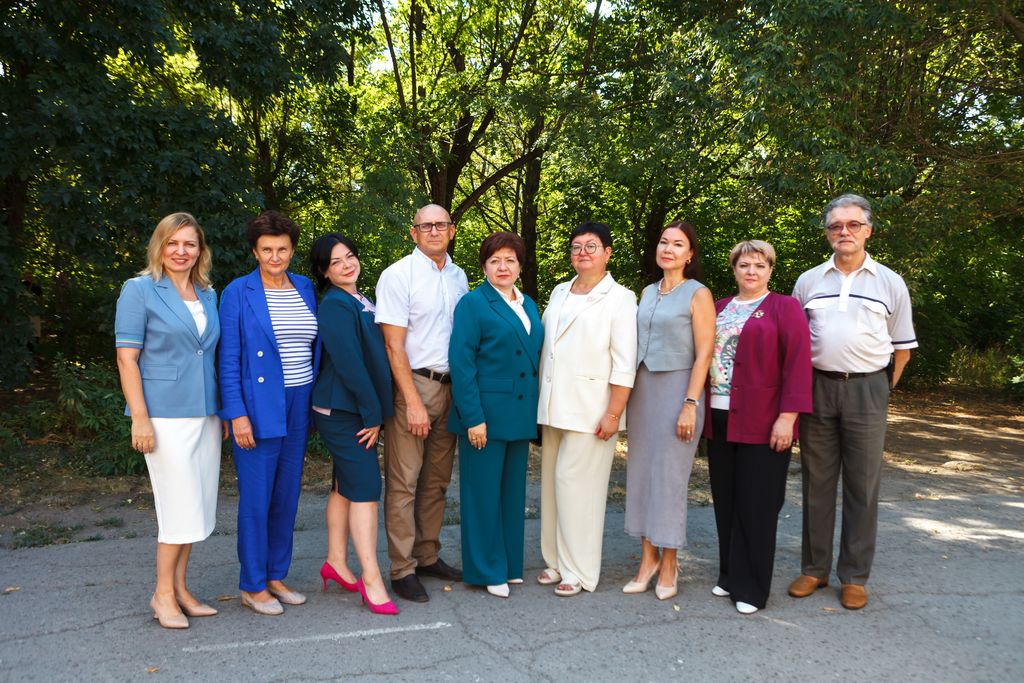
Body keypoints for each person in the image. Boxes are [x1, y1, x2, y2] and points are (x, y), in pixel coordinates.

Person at [788, 194, 917, 610]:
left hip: (868, 390)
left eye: (853, 225)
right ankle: (814, 569)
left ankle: (855, 576)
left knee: (863, 485)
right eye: (836, 226)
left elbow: (902, 349)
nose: (844, 231)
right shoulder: (808, 281)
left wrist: (881, 388)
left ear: (868, 231)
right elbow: (795, 344)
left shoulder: (890, 282)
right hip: (817, 387)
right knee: (816, 482)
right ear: (827, 233)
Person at [115, 212, 222, 629]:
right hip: (163, 416)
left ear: (200, 250)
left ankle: (180, 589)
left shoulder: (207, 293)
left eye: (189, 244)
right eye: (173, 243)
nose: (181, 251)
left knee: (196, 505)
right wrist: (139, 419)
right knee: (178, 507)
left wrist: (221, 411)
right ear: (159, 246)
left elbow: (207, 354)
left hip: (205, 413)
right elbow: (127, 359)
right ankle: (161, 595)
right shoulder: (138, 290)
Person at [219, 210, 319, 616]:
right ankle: (252, 584)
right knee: (257, 499)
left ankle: (276, 575)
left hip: (300, 401)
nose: (274, 257)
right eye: (266, 250)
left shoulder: (305, 287)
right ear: (255, 252)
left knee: (287, 495)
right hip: (258, 405)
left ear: (292, 250)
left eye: (282, 249)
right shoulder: (237, 292)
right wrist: (236, 414)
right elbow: (228, 359)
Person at [705, 240, 812, 615]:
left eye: (759, 265)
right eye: (744, 265)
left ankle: (751, 588)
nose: (751, 271)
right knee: (726, 500)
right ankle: (729, 574)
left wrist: (788, 417)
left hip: (764, 420)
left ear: (770, 270)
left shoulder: (785, 307)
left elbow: (798, 363)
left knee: (757, 504)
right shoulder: (718, 308)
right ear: (734, 269)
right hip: (719, 417)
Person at [536, 221, 638, 596]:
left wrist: (613, 413)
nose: (582, 253)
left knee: (577, 488)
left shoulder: (620, 298)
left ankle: (579, 571)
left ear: (607, 253)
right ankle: (554, 561)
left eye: (591, 246)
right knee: (552, 485)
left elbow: (625, 362)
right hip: (553, 404)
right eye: (576, 246)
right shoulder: (560, 290)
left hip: (592, 409)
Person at [375, 203, 469, 602]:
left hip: (452, 387)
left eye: (440, 225)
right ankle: (402, 568)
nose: (433, 231)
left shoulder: (459, 276)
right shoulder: (398, 275)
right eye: (425, 225)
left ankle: (427, 555)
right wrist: (412, 401)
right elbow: (393, 346)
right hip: (414, 385)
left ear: (451, 230)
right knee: (404, 483)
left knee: (436, 482)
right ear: (413, 233)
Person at [623, 221, 715, 601]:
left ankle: (670, 562)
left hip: (679, 390)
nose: (668, 249)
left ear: (690, 254)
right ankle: (647, 559)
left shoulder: (698, 294)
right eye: (664, 242)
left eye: (678, 244)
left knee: (670, 479)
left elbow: (705, 353)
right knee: (641, 474)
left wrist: (690, 404)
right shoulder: (647, 292)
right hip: (643, 390)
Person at [448, 232, 544, 599]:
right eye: (495, 261)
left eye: (510, 260)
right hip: (485, 414)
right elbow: (462, 363)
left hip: (519, 412)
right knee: (482, 495)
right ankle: (486, 569)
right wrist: (473, 417)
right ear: (484, 266)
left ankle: (508, 564)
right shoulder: (473, 303)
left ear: (520, 265)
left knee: (511, 493)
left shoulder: (528, 303)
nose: (503, 267)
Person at [309, 234, 398, 615]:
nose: (347, 265)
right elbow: (349, 365)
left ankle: (335, 561)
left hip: (351, 408)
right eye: (336, 262)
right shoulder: (334, 305)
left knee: (344, 484)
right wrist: (372, 414)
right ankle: (371, 578)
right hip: (342, 410)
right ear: (324, 272)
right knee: (365, 488)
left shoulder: (359, 299)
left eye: (349, 256)